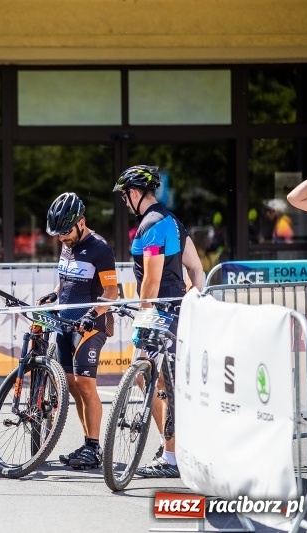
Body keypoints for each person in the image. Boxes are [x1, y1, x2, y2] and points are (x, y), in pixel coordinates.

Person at [113, 165, 204, 479]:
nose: (124, 202)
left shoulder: (150, 224)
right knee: (160, 381)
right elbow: (196, 268)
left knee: (149, 377)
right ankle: (173, 447)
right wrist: (195, 304)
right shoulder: (173, 221)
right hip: (177, 310)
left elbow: (151, 280)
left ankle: (171, 456)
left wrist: (143, 315)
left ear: (134, 193)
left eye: (124, 196)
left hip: (159, 312)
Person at [41, 193, 118, 470]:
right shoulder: (67, 245)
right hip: (65, 323)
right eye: (58, 233)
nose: (62, 237)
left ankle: (95, 447)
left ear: (81, 222)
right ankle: (88, 443)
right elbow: (66, 279)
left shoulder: (100, 248)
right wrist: (54, 294)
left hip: (91, 324)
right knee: (71, 386)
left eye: (66, 231)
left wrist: (91, 314)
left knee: (85, 384)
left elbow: (112, 291)